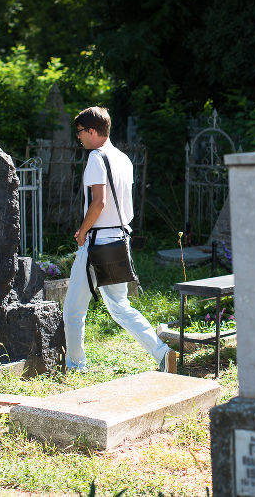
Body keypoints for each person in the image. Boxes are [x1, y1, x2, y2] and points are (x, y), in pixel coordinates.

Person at [63, 106, 176, 373]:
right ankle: (162, 353)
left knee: (73, 310)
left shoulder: (96, 158)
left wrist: (83, 231)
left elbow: (99, 202)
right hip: (119, 239)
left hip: (97, 242)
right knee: (120, 307)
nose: (78, 137)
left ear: (92, 131)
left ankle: (75, 366)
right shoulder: (124, 158)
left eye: (80, 132)